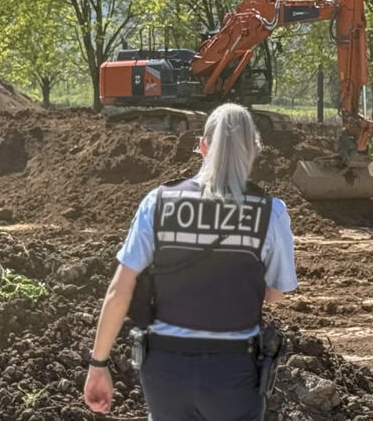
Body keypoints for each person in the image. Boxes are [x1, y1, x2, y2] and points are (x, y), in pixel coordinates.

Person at [83, 102, 298, 420]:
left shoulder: (158, 203)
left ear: (201, 146)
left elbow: (120, 290)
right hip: (233, 373)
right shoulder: (271, 212)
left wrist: (98, 364)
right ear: (254, 150)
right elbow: (276, 295)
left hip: (164, 370)